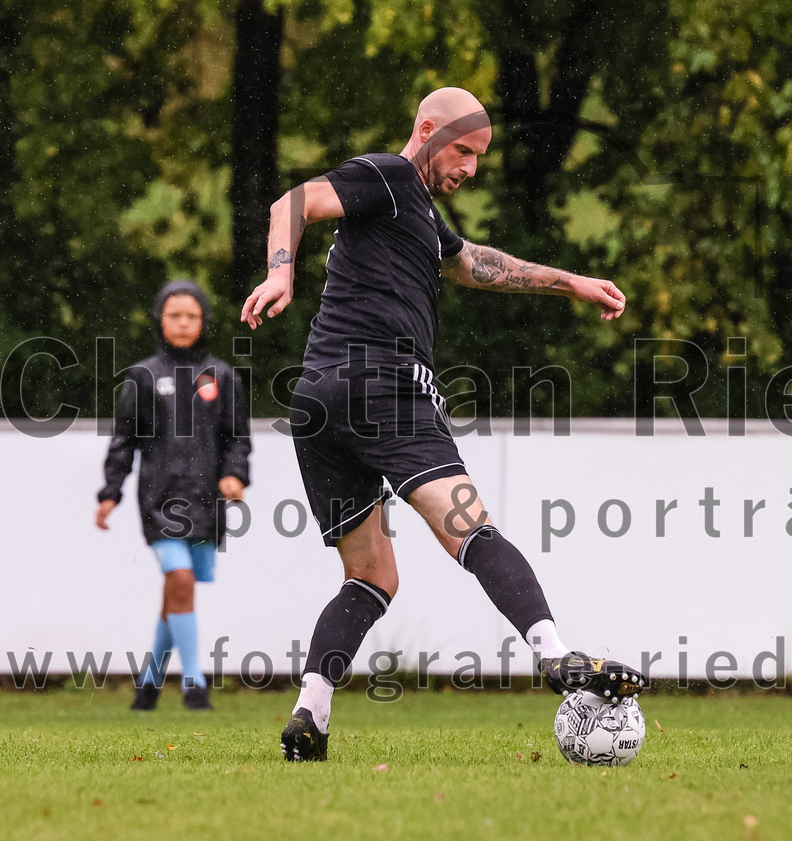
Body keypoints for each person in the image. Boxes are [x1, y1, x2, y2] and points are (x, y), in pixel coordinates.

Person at [241, 87, 645, 762]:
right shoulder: (390, 175)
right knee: (471, 529)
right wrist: (281, 272)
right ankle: (555, 656)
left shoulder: (415, 211)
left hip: (318, 400)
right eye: (463, 150)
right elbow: (293, 203)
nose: (471, 168)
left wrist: (568, 281)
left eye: (479, 156)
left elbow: (473, 264)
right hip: (384, 387)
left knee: (371, 574)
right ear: (426, 129)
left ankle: (310, 712)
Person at [97, 280, 251, 711]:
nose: (183, 323)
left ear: (203, 321)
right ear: (160, 320)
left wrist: (235, 475)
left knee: (179, 590)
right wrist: (111, 492)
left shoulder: (222, 376)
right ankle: (194, 685)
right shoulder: (143, 376)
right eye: (174, 315)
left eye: (192, 315)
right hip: (159, 502)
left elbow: (238, 439)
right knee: (180, 580)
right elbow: (124, 440)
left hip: (206, 504)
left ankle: (147, 685)